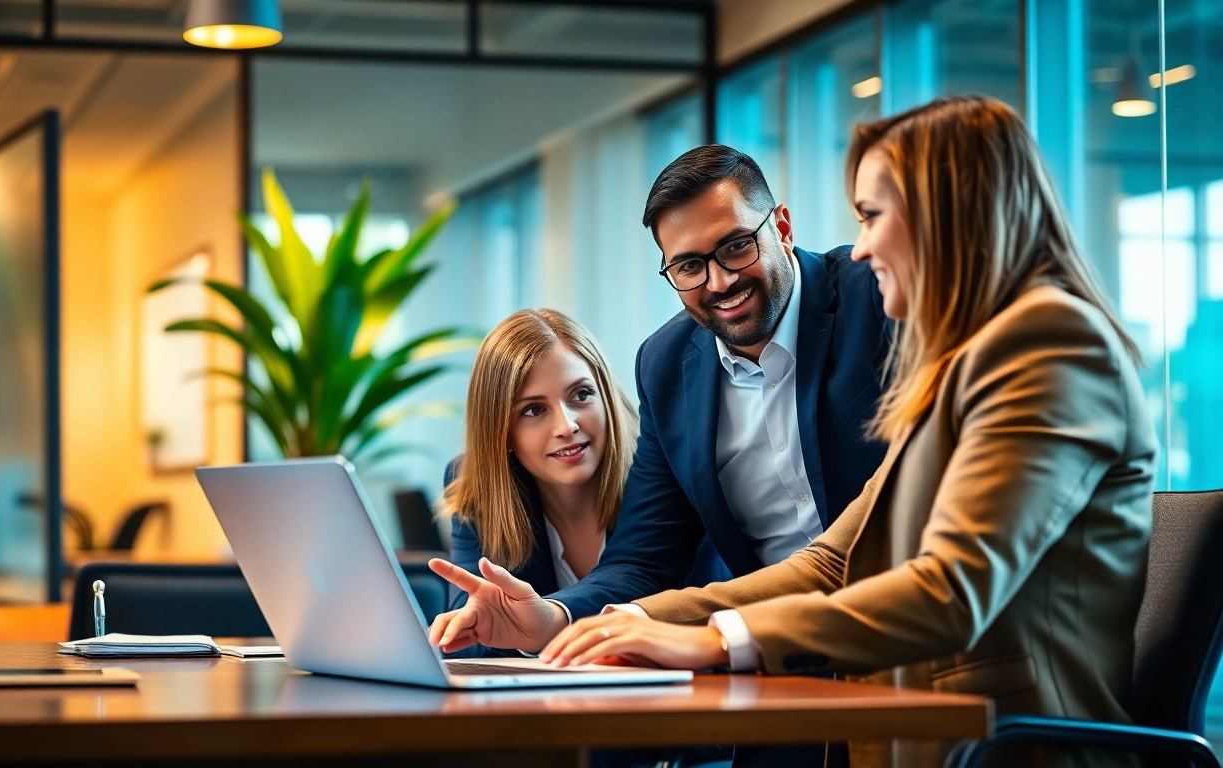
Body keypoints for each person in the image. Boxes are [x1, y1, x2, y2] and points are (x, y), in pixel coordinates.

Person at [536, 96, 1157, 768]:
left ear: (943, 214)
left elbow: (950, 588)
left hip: (1002, 743)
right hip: (911, 723)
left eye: (872, 216)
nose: (859, 245)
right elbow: (837, 559)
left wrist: (720, 640)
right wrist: (648, 620)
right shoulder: (956, 365)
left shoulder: (1048, 343)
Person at [428, 145, 892, 658]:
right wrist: (555, 617)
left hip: (895, 627)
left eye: (737, 246)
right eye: (689, 266)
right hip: (770, 658)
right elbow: (647, 557)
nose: (719, 282)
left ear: (781, 228)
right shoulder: (667, 363)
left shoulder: (876, 294)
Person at [438, 308, 645, 658]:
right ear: (501, 431)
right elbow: (467, 638)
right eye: (533, 410)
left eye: (581, 395)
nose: (566, 426)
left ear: (606, 395)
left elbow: (691, 605)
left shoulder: (660, 471)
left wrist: (547, 624)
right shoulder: (479, 488)